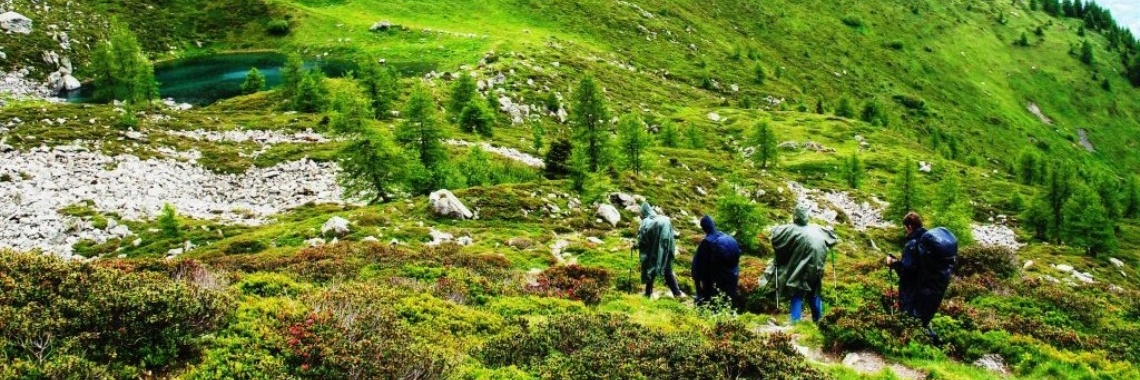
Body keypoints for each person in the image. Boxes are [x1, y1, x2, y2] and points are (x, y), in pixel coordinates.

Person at [886, 211, 957, 345]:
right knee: (922, 319)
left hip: (913, 292)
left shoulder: (912, 244)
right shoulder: (927, 244)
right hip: (930, 291)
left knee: (910, 321)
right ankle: (935, 342)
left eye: (905, 228)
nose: (905, 231)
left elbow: (906, 272)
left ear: (910, 226)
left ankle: (911, 344)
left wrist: (893, 263)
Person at [763, 205, 838, 323]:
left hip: (803, 267)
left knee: (797, 289)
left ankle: (795, 322)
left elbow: (777, 240)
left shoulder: (791, 229)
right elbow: (832, 238)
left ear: (795, 215)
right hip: (818, 266)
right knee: (814, 290)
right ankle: (818, 320)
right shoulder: (817, 229)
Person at [692, 215, 742, 310]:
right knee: (728, 301)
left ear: (703, 228)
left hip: (715, 280)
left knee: (713, 302)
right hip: (732, 277)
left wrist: (699, 285)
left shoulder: (706, 242)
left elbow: (700, 267)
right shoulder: (728, 238)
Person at [638, 202, 684, 298]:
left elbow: (642, 239)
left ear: (644, 212)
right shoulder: (664, 219)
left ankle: (648, 293)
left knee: (650, 265)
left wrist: (636, 245)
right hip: (668, 243)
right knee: (667, 267)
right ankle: (677, 293)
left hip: (655, 247)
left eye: (641, 213)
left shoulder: (646, 221)